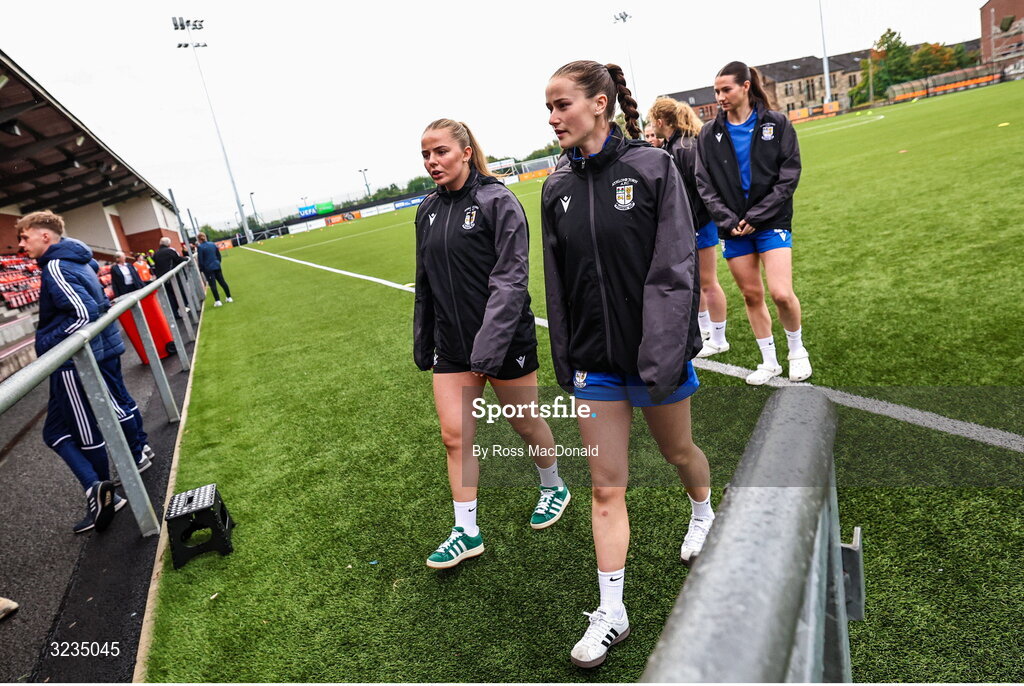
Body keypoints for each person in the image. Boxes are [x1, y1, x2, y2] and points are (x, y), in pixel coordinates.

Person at [542, 60, 714, 668]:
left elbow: (676, 267)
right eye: (549, 107)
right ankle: (611, 611)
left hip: (656, 358)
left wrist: (664, 353)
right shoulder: (554, 187)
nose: (553, 116)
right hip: (595, 366)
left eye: (562, 104)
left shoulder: (651, 166)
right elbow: (557, 286)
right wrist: (567, 359)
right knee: (605, 486)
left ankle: (702, 510)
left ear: (599, 104)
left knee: (678, 454)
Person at [414, 118, 570, 570]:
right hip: (452, 346)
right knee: (454, 436)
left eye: (440, 152)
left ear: (465, 151)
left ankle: (553, 485)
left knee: (526, 424)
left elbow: (511, 281)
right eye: (425, 155)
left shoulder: (496, 200)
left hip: (503, 340)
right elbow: (425, 284)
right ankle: (466, 530)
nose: (431, 162)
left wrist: (487, 348)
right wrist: (426, 341)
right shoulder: (427, 210)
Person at [16, 211, 138, 533]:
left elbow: (84, 314)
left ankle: (105, 494)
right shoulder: (73, 260)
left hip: (71, 363)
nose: (21, 244)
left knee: (85, 432)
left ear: (45, 236)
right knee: (54, 433)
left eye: (25, 237)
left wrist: (50, 344)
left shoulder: (56, 265)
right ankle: (98, 489)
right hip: (74, 361)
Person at [695, 61, 811, 383]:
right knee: (751, 295)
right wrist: (729, 220)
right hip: (733, 229)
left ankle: (797, 352)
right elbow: (703, 183)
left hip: (772, 220)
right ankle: (769, 361)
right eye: (716, 91)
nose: (720, 96)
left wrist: (755, 216)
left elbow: (789, 177)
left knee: (781, 293)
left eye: (726, 89)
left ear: (746, 86)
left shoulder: (777, 123)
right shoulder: (708, 134)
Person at [648, 97, 730, 356]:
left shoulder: (684, 147)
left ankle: (718, 338)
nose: (651, 126)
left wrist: (695, 221)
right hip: (691, 224)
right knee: (696, 281)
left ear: (661, 121)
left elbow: (701, 189)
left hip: (700, 224)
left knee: (708, 282)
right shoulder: (675, 145)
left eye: (652, 122)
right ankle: (705, 330)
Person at [152, 237, 187, 319]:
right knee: (178, 293)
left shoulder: (156, 254)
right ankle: (183, 309)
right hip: (172, 277)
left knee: (169, 297)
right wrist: (186, 258)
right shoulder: (170, 251)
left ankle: (175, 313)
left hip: (162, 279)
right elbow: (178, 259)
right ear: (168, 244)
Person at [196, 233, 232, 307]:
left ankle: (218, 301)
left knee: (213, 285)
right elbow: (218, 255)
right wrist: (218, 262)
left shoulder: (200, 247)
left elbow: (201, 260)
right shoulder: (212, 244)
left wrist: (201, 269)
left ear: (198, 239)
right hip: (216, 266)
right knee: (222, 282)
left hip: (208, 268)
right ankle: (229, 297)